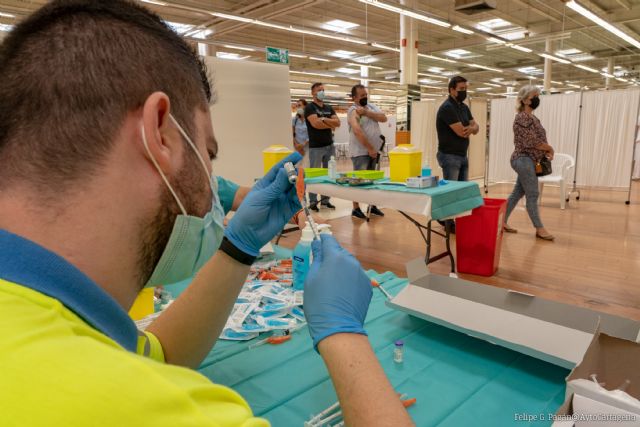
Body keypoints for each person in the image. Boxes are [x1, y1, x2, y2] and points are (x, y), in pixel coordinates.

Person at [0, 2, 414, 426]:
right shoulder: (128, 404)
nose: (211, 183)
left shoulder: (40, 321)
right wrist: (343, 334)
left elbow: (157, 354)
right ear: (160, 131)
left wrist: (239, 246)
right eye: (208, 155)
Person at [503, 85, 555, 241]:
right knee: (532, 194)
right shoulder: (522, 117)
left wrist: (546, 151)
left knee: (517, 193)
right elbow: (531, 141)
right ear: (525, 100)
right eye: (535, 96)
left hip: (529, 160)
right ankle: (539, 228)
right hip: (523, 159)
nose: (537, 99)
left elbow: (537, 140)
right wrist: (549, 148)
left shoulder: (532, 117)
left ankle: (501, 221)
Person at [435, 75, 479, 232]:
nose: (464, 92)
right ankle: (446, 220)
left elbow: (476, 127)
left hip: (461, 154)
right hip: (449, 156)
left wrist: (472, 128)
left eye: (465, 89)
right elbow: (462, 132)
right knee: (450, 192)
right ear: (451, 90)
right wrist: (471, 129)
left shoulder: (464, 107)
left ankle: (451, 219)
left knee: (460, 191)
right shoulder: (447, 108)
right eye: (461, 89)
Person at [348, 84, 387, 219]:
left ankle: (372, 206)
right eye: (362, 95)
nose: (365, 97)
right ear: (354, 98)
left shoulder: (370, 107)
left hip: (374, 151)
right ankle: (356, 208)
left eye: (366, 94)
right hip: (361, 152)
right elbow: (357, 130)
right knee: (358, 181)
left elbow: (383, 118)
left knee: (373, 180)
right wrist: (369, 148)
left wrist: (366, 112)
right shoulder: (353, 110)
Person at [305, 82, 341, 211]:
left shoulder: (328, 107)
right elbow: (315, 124)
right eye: (319, 90)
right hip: (316, 147)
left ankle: (325, 200)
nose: (322, 92)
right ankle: (313, 201)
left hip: (329, 145)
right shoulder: (309, 108)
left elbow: (338, 123)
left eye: (323, 90)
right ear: (313, 93)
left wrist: (323, 120)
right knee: (314, 175)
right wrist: (330, 123)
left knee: (329, 174)